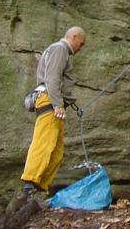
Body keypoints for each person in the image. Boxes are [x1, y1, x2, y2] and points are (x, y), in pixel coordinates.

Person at [21, 26, 86, 195]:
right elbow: (52, 78)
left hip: (54, 102)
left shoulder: (59, 50)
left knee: (57, 151)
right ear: (74, 36)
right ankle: (30, 183)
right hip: (50, 101)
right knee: (44, 143)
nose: (81, 47)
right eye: (81, 43)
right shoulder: (60, 49)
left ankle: (40, 186)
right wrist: (57, 104)